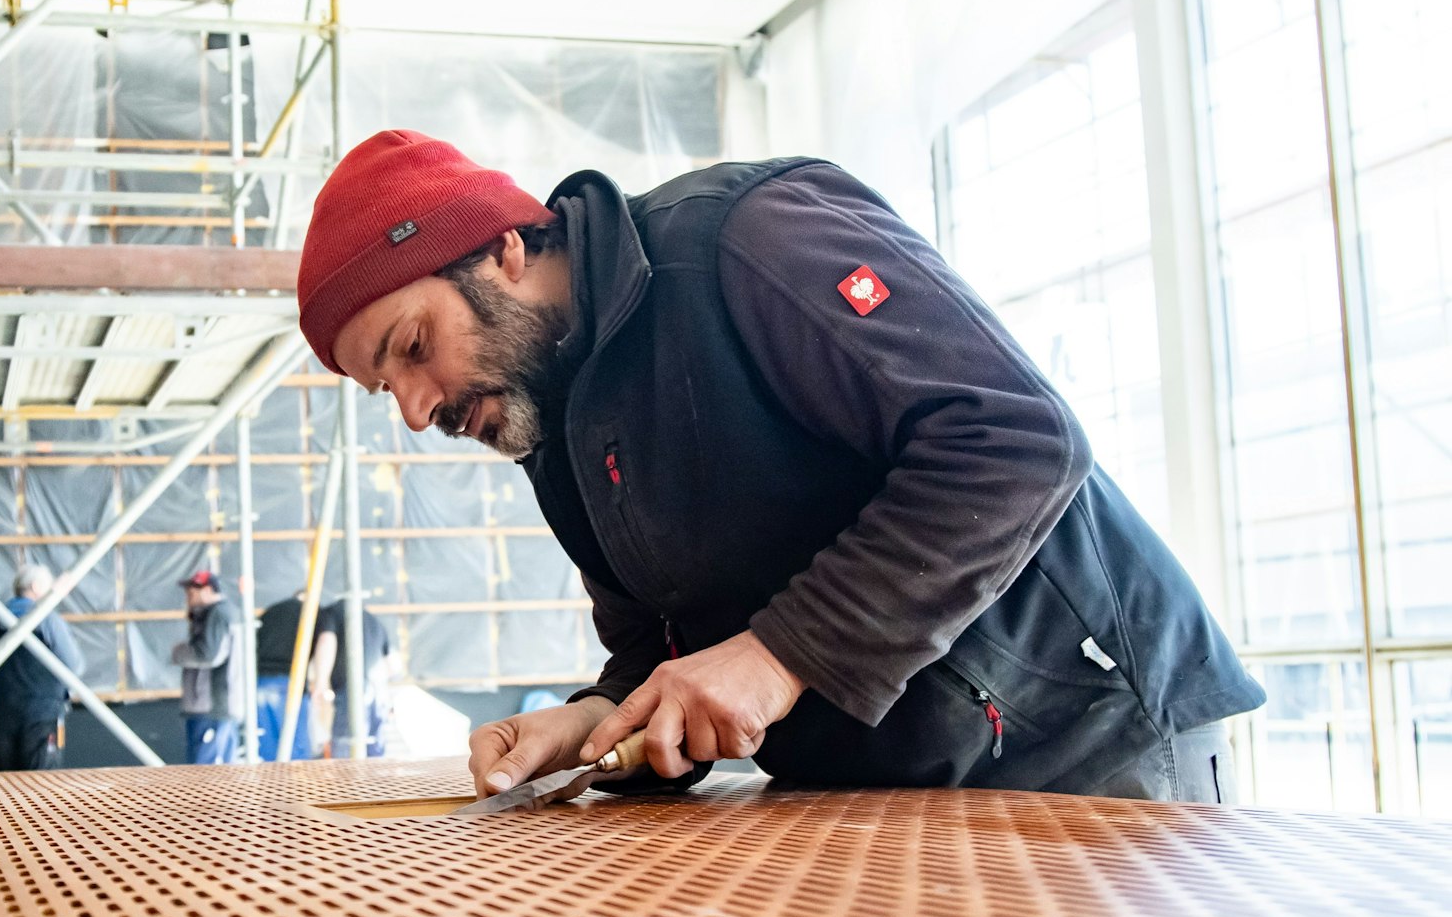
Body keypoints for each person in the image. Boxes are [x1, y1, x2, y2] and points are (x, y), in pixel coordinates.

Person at [294, 130, 1266, 803]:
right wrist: (590, 721)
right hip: (883, 792)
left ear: (501, 251)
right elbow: (667, 646)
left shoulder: (745, 238)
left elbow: (1011, 438)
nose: (419, 411)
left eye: (412, 345)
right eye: (389, 391)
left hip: (1088, 743)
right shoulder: (545, 409)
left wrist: (778, 658)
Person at [0, 563, 84, 772]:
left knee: (2, 788)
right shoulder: (48, 620)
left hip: (4, 716)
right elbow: (73, 664)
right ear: (36, 586)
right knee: (40, 788)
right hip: (42, 716)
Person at [255, 593, 392, 759]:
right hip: (372, 688)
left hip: (261, 682)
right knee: (302, 749)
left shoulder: (273, 611)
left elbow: (327, 640)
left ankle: (274, 784)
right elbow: (389, 661)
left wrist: (320, 682)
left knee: (269, 748)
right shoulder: (371, 620)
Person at [171, 569, 245, 764]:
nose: (188, 597)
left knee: (206, 775)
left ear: (207, 590)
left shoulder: (217, 613)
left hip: (211, 705)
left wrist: (179, 652)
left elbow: (208, 654)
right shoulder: (224, 612)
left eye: (192, 592)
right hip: (218, 704)